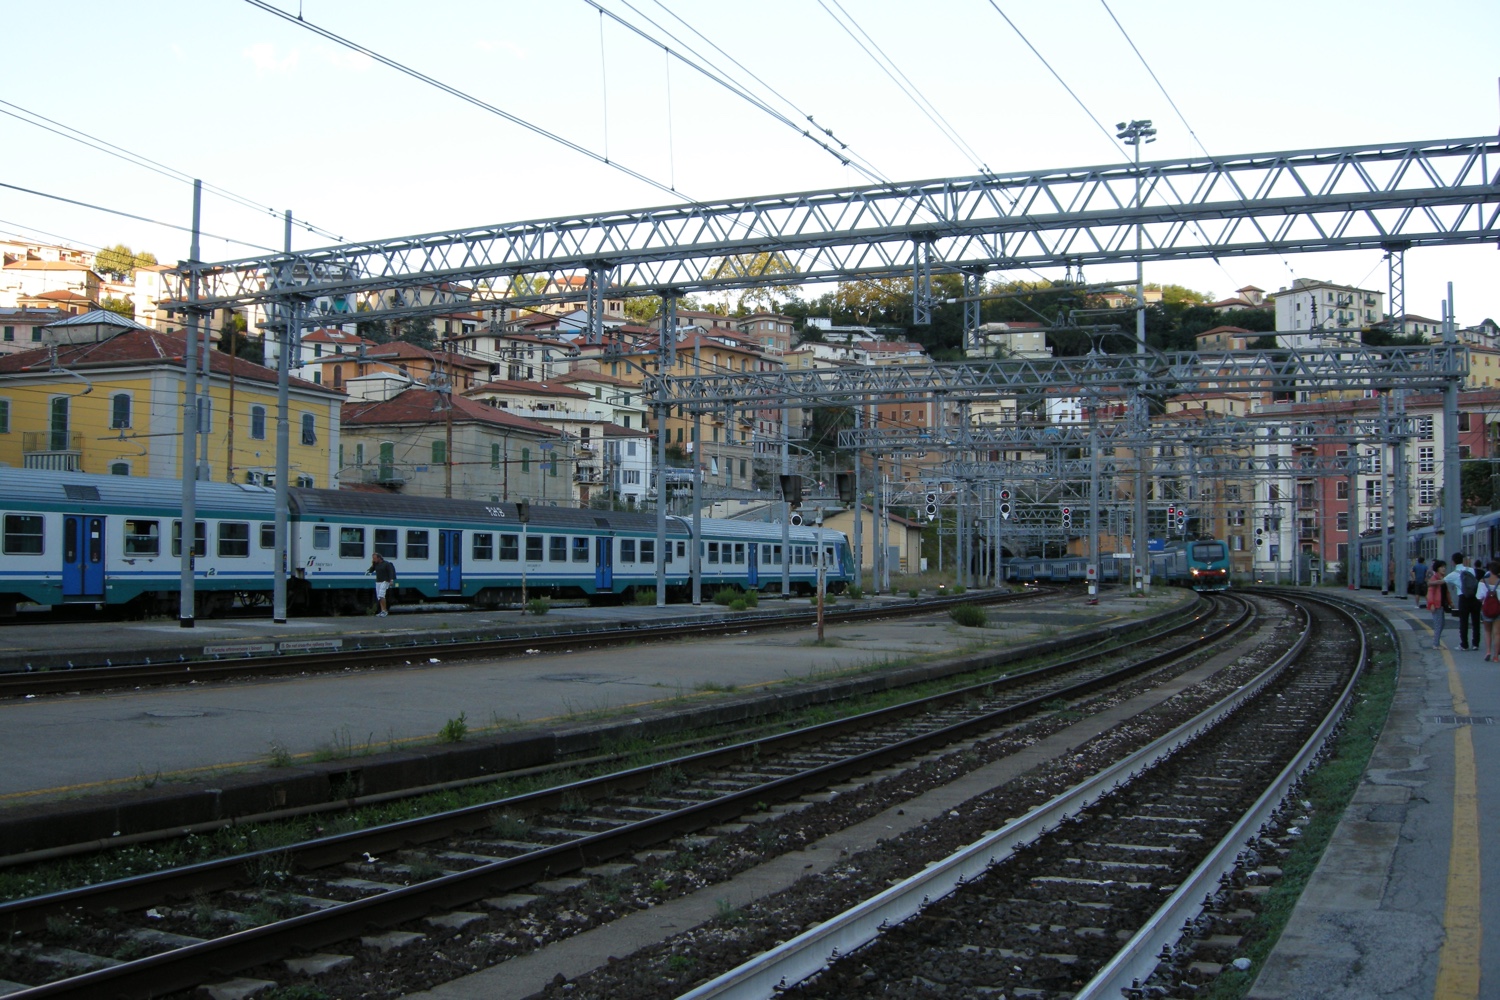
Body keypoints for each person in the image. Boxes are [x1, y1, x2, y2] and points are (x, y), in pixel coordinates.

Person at [1447, 553, 1481, 651]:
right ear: (1463, 560)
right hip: (1474, 597)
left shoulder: (1452, 574)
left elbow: (1443, 581)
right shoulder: (1471, 570)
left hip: (1463, 598)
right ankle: (1475, 644)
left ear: (1453, 562)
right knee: (1476, 621)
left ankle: (1464, 644)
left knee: (1463, 622)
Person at [1428, 559, 1450, 649]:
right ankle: (1436, 644)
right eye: (1441, 567)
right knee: (1438, 624)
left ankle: (1436, 643)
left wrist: (1450, 602)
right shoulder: (1435, 579)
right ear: (1437, 568)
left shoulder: (1442, 579)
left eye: (1444, 567)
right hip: (1436, 605)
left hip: (1441, 604)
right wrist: (1431, 603)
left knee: (1441, 624)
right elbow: (1430, 592)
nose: (1444, 569)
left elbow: (1446, 592)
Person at [1481, 564, 1500, 661]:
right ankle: (1496, 656)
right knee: (1497, 633)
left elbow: (1479, 597)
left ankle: (1488, 651)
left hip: (1487, 610)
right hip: (1498, 610)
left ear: (1490, 571)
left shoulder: (1483, 581)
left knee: (1487, 631)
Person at [368, 551, 397, 617]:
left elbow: (390, 572)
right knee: (379, 597)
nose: (374, 559)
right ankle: (382, 610)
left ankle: (385, 611)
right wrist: (373, 564)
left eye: (375, 558)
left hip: (385, 581)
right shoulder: (376, 564)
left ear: (379, 558)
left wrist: (391, 580)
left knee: (381, 595)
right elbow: (370, 571)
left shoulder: (386, 564)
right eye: (373, 558)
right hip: (378, 581)